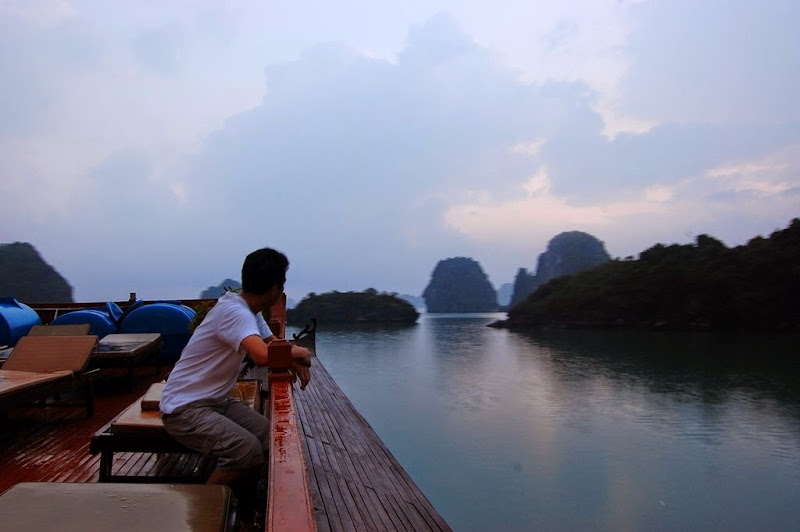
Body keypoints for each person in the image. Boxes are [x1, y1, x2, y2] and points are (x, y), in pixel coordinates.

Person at [160, 247, 311, 512]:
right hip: (184, 409)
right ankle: (200, 515)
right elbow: (263, 355)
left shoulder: (248, 311)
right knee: (246, 450)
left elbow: (273, 343)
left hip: (215, 402)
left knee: (268, 436)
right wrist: (302, 352)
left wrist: (293, 359)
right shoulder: (235, 312)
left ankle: (242, 506)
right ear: (276, 288)